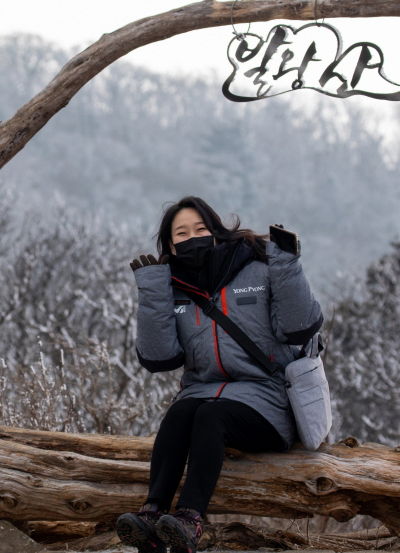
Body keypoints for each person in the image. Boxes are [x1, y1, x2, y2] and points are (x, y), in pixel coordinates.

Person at [115, 196, 323, 553]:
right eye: (181, 233)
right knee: (181, 411)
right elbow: (159, 358)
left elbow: (299, 328)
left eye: (200, 229)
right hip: (204, 393)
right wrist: (153, 292)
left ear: (215, 233)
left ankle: (190, 520)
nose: (191, 237)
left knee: (210, 414)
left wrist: (286, 264)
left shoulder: (258, 268)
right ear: (170, 245)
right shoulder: (175, 288)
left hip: (269, 400)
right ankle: (151, 514)